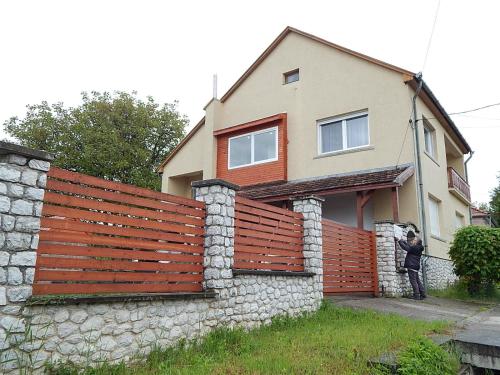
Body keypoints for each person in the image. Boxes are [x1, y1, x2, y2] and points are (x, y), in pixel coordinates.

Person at [396, 230, 426, 300]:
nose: (413, 241)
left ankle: (416, 295)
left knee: (413, 281)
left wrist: (399, 241)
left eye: (415, 240)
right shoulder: (418, 247)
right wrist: (402, 241)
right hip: (415, 266)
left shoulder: (415, 248)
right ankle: (423, 293)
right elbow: (409, 246)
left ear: (417, 242)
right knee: (417, 280)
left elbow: (406, 248)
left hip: (412, 266)